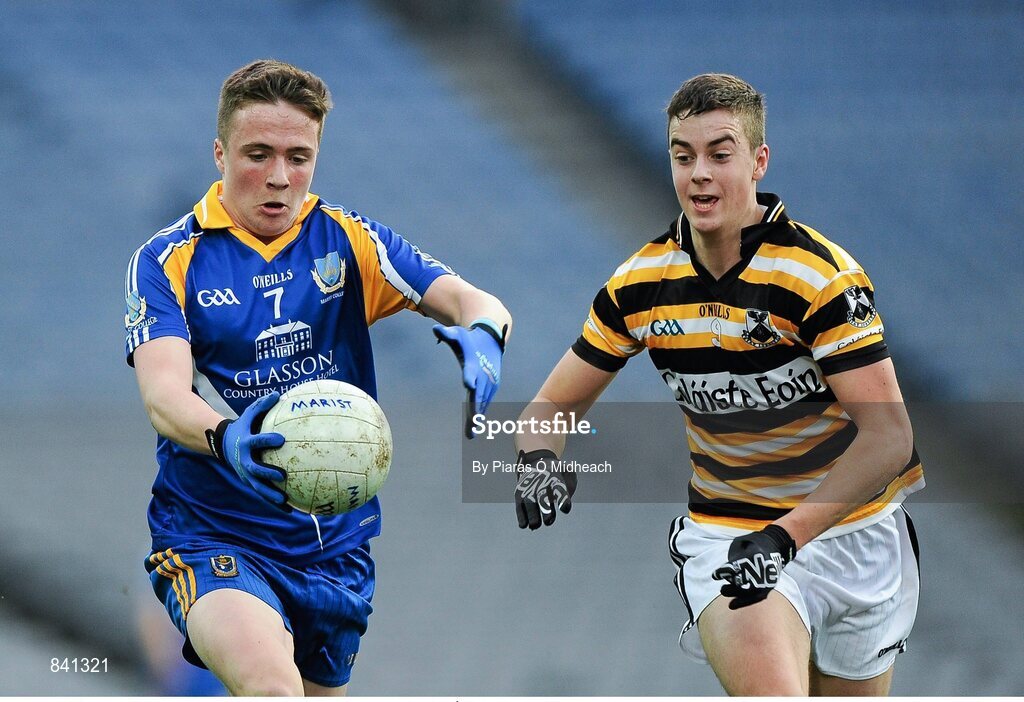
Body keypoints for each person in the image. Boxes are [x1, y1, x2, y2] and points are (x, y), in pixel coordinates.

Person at [512, 73, 923, 696]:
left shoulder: (821, 278)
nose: (699, 174)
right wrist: (537, 460)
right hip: (732, 538)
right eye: (683, 157)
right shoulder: (639, 284)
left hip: (857, 535)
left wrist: (786, 537)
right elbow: (549, 408)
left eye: (719, 154)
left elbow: (889, 437)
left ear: (759, 162)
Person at [124, 59, 510, 697]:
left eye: (298, 157)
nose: (279, 177)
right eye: (258, 154)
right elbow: (163, 396)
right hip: (213, 536)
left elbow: (473, 299)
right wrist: (228, 438)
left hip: (335, 550)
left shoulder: (348, 241)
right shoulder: (169, 259)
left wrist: (486, 335)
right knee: (272, 688)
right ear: (220, 154)